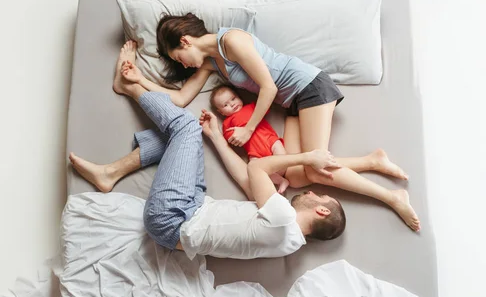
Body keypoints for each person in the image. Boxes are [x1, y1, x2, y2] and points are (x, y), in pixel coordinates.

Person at [126, 13, 421, 232]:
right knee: (295, 176)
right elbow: (181, 98)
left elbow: (268, 87)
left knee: (314, 171)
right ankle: (371, 160)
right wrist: (139, 79)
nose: (182, 64)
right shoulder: (210, 62)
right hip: (293, 101)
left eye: (178, 57)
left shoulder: (231, 40)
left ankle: (391, 196)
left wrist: (248, 128)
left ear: (185, 40)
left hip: (309, 87)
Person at [69, 44, 347, 261]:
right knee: (182, 142)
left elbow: (256, 167)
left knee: (186, 126)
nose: (311, 192)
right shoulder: (287, 241)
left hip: (174, 218)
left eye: (318, 196)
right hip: (192, 207)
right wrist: (216, 136)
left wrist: (307, 157)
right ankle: (110, 173)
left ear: (321, 211)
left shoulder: (284, 218)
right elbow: (247, 180)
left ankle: (128, 87)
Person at [210, 83, 289, 194]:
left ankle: (279, 174)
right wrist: (233, 136)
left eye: (233, 99)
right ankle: (280, 181)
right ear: (221, 112)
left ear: (239, 97)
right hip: (254, 152)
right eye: (225, 105)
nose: (232, 104)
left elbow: (265, 107)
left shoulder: (252, 107)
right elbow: (230, 138)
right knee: (253, 170)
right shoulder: (227, 123)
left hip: (271, 140)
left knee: (283, 158)